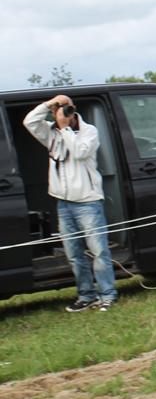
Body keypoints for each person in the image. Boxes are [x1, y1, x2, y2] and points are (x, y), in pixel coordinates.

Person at [23, 96, 118, 312]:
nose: (62, 114)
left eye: (65, 110)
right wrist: (48, 104)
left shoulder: (89, 131)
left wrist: (65, 129)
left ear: (74, 111)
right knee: (74, 254)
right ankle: (86, 296)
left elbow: (80, 152)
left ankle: (107, 295)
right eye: (58, 111)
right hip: (63, 203)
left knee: (98, 251)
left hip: (88, 202)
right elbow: (29, 122)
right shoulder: (51, 133)